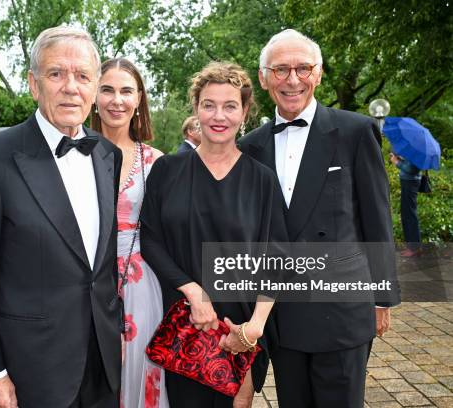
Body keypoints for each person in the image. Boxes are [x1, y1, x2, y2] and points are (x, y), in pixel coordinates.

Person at [0, 26, 123, 408]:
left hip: (103, 365)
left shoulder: (105, 155)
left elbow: (103, 265)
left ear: (95, 88)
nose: (71, 87)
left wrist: (114, 334)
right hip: (32, 369)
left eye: (82, 76)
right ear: (34, 84)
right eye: (56, 74)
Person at [238, 29, 401, 408]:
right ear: (264, 78)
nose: (292, 79)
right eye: (280, 70)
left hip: (342, 310)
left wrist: (383, 297)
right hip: (282, 312)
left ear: (319, 73)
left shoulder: (355, 131)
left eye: (303, 68)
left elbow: (377, 217)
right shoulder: (251, 147)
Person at [140, 61, 287, 408]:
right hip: (186, 326)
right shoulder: (167, 170)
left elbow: (277, 256)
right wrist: (193, 293)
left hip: (240, 329)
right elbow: (150, 239)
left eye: (230, 105)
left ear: (245, 112)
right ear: (196, 110)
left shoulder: (262, 179)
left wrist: (254, 328)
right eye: (209, 105)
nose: (218, 116)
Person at [90, 57, 169, 408]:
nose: (116, 100)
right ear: (94, 95)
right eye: (107, 89)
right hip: (87, 283)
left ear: (139, 99)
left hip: (141, 284)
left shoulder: (156, 161)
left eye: (126, 91)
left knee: (143, 374)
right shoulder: (73, 154)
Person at [389, 153, 422, 257]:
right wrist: (399, 157)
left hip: (410, 183)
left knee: (409, 215)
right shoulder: (413, 147)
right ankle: (412, 246)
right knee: (406, 214)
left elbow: (413, 169)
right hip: (407, 182)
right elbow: (409, 164)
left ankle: (414, 248)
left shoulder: (417, 148)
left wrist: (397, 162)